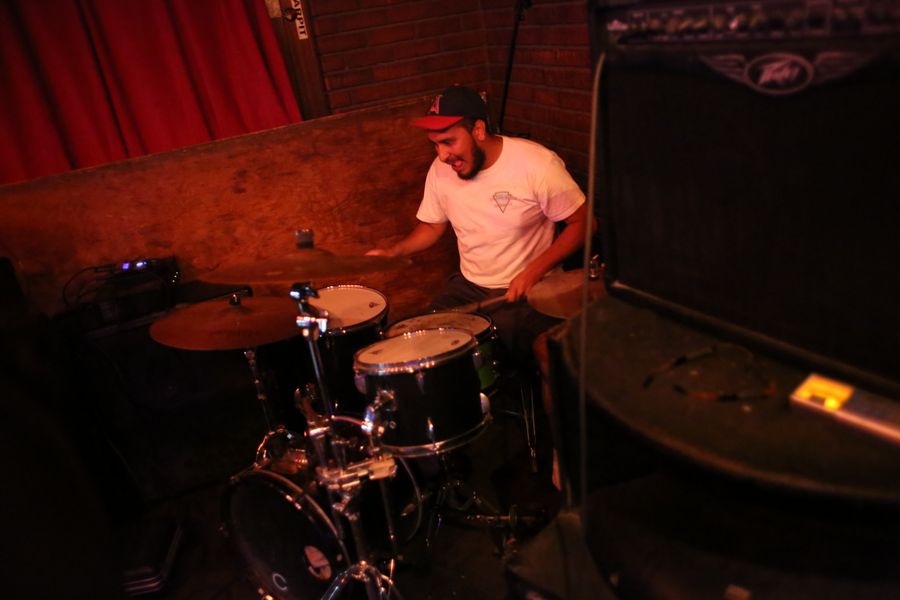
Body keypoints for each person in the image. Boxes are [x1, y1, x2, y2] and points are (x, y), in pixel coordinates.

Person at [368, 84, 594, 371]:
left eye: (449, 142)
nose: (442, 155)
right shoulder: (440, 170)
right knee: (419, 346)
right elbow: (432, 227)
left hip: (529, 291)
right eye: (435, 145)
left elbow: (584, 223)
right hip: (468, 288)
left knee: (544, 355)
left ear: (478, 130)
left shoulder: (535, 163)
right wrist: (394, 252)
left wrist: (533, 271)